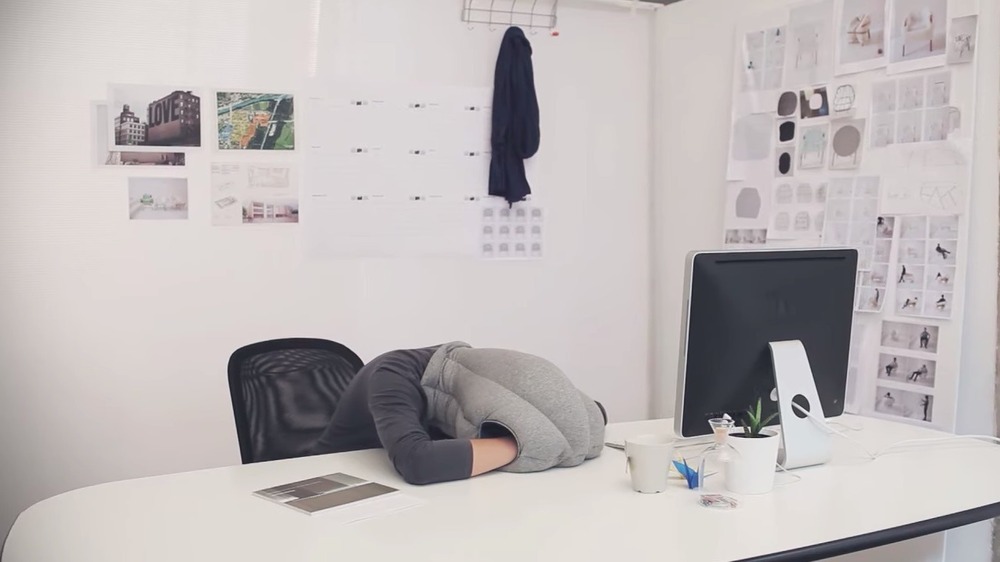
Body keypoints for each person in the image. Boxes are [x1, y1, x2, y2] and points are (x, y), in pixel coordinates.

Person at [310, 343, 606, 485]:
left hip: (431, 498)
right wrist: (523, 442)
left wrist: (571, 428)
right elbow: (419, 462)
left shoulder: (484, 375)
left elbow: (594, 415)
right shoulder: (391, 376)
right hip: (334, 479)